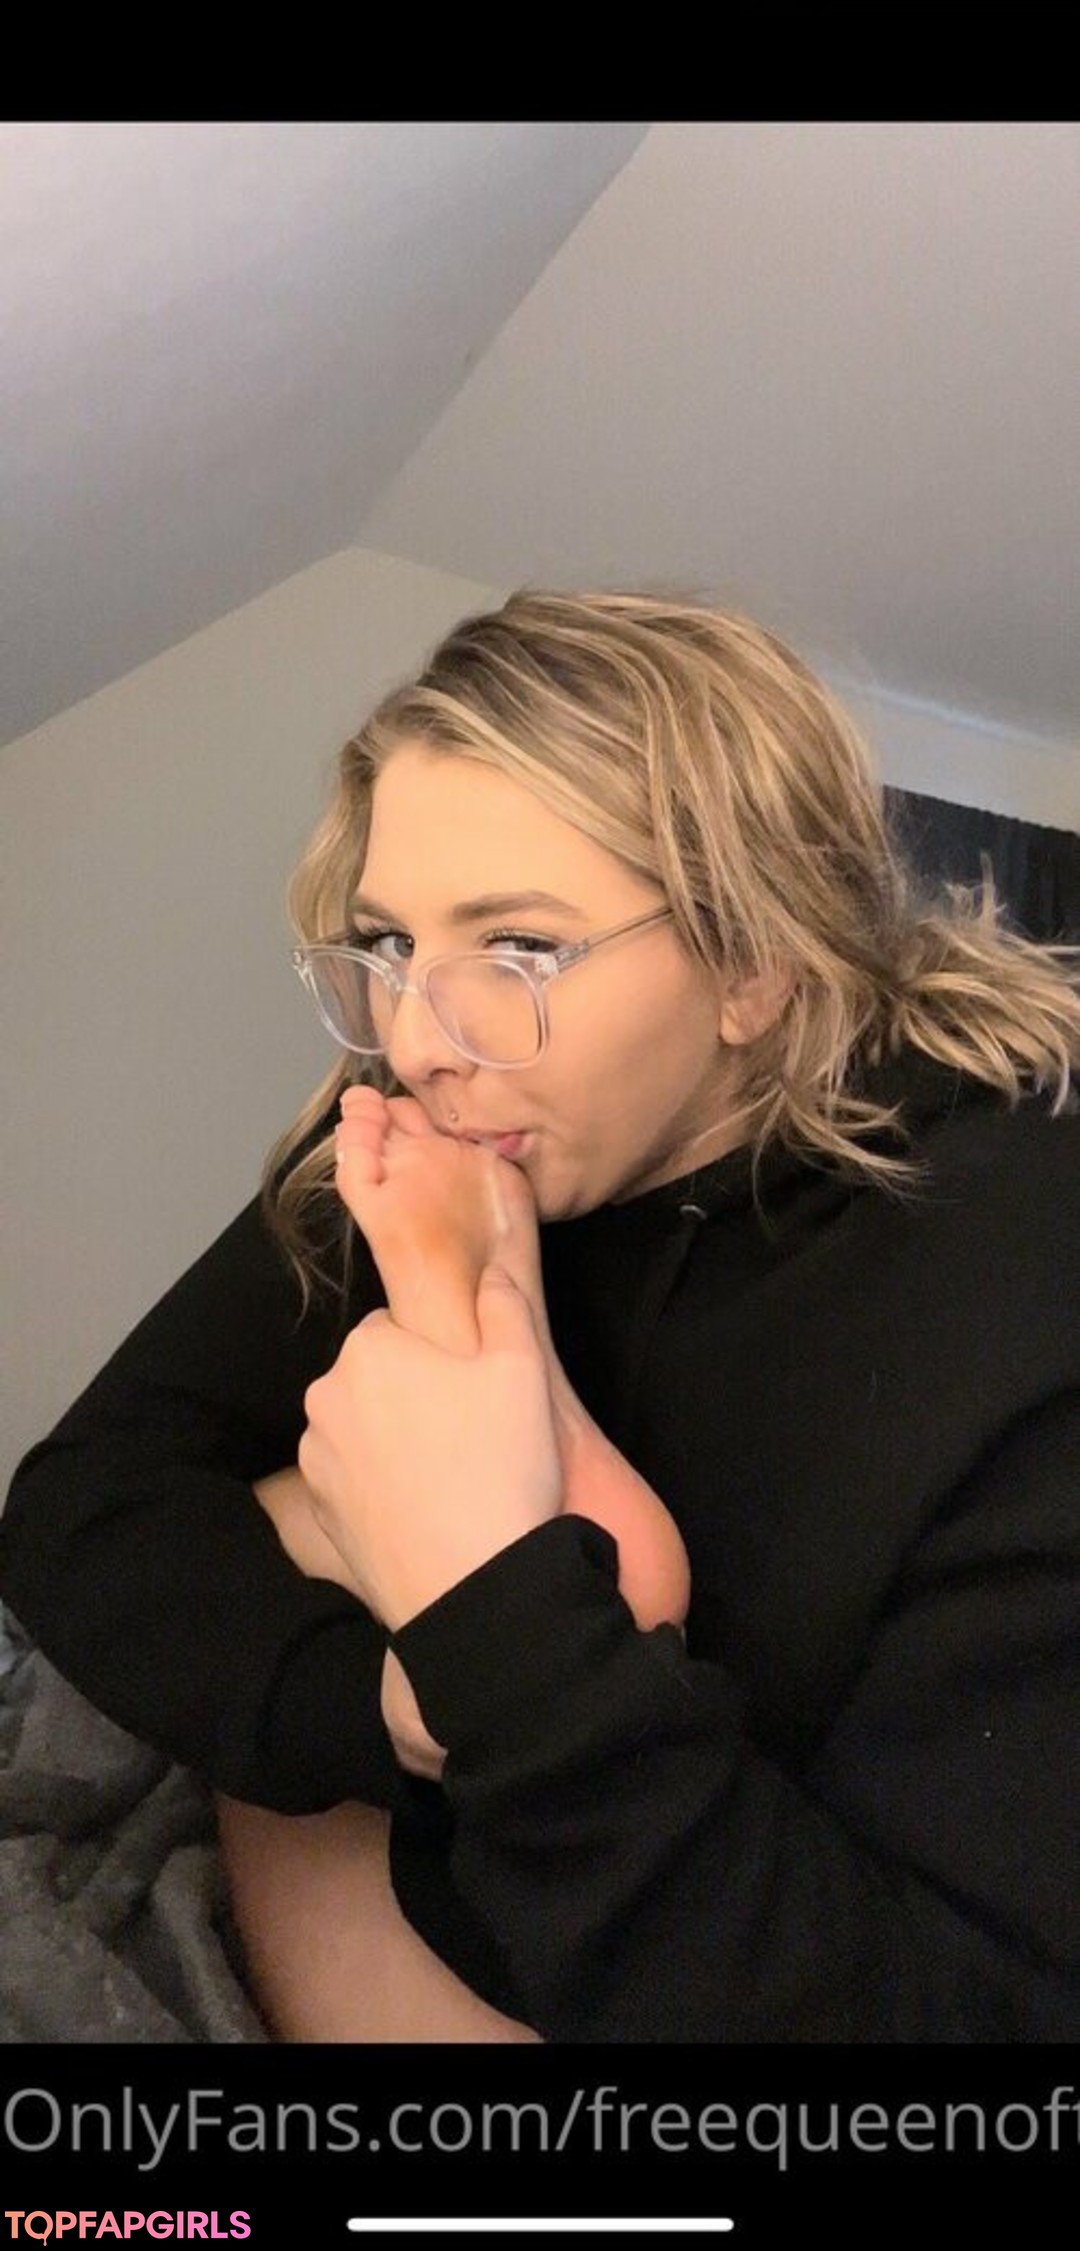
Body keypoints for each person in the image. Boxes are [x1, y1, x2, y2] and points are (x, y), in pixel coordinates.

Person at [1, 589, 1078, 2045]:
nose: (416, 1041)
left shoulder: (1020, 1278)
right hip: (465, 1880)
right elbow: (84, 1501)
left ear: (754, 963)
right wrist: (396, 1707)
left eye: (515, 950)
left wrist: (493, 1620)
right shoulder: (428, 1140)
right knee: (296, 1493)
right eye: (389, 945)